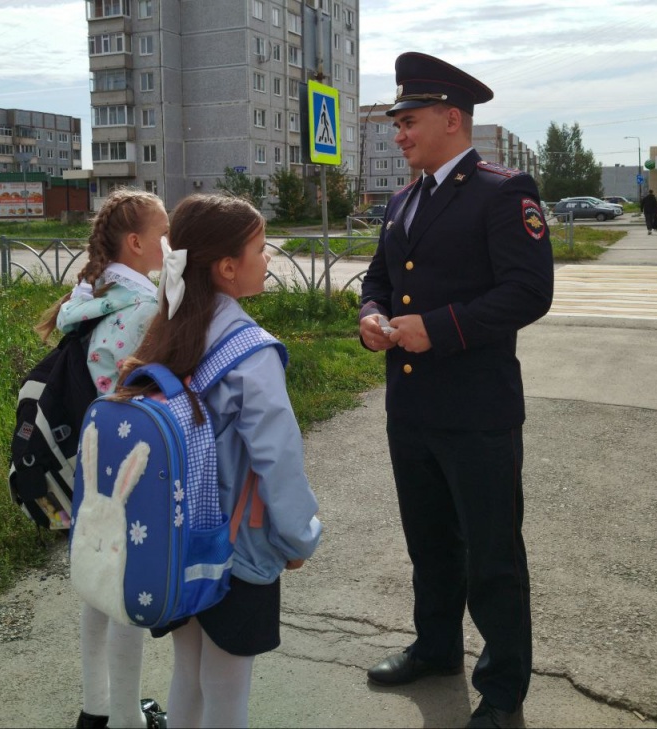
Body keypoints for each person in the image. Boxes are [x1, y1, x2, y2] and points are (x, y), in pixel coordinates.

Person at [359, 52, 554, 729]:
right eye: (397, 123)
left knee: (493, 553)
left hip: (476, 411)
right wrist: (370, 317)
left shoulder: (504, 190)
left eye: (408, 122)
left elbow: (530, 292)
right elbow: (378, 278)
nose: (399, 135)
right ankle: (436, 646)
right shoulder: (404, 198)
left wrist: (435, 329)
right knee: (430, 543)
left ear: (451, 118)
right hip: (411, 410)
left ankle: (502, 690)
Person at [118, 194, 322, 728]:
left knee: (189, 673)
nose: (269, 257)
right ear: (228, 268)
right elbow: (278, 457)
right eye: (261, 248)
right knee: (228, 691)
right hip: (238, 549)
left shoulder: (167, 332)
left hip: (177, 542)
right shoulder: (249, 352)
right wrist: (299, 537)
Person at [35, 188, 169, 729]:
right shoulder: (141, 309)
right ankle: (125, 720)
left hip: (86, 457)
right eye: (165, 234)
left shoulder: (89, 297)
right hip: (127, 464)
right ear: (136, 243)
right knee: (126, 595)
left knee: (96, 582)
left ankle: (96, 710)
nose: (171, 245)